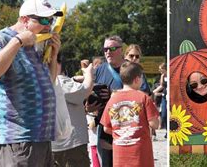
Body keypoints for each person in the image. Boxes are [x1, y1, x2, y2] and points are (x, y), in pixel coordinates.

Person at [0, 0, 62, 166]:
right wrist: (18, 41)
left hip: (41, 136)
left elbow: (47, 83)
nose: (48, 25)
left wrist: (54, 55)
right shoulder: (1, 39)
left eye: (51, 20)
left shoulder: (38, 44)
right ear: (24, 20)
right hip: (18, 138)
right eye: (44, 19)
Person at [100, 62, 159, 167]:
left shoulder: (112, 99)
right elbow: (154, 124)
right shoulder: (143, 97)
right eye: (142, 78)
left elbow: (106, 128)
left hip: (119, 156)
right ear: (136, 79)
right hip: (140, 155)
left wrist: (121, 132)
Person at [52, 56, 95, 167]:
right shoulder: (59, 81)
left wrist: (74, 79)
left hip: (52, 145)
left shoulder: (40, 82)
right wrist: (89, 72)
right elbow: (85, 90)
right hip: (70, 146)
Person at [92, 35, 125, 167]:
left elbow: (143, 95)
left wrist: (114, 95)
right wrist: (89, 106)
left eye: (112, 48)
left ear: (121, 50)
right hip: (105, 127)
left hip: (127, 126)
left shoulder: (131, 69)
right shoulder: (99, 70)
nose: (108, 52)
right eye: (105, 49)